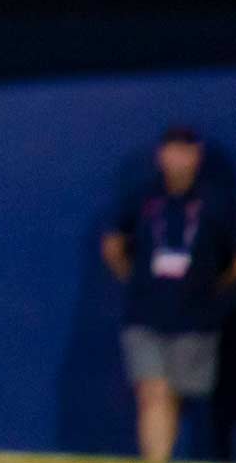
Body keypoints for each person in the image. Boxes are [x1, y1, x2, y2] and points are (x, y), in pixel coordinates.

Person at [104, 126, 236, 462]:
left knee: (181, 398)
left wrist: (216, 288)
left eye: (185, 150)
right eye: (171, 150)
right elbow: (113, 243)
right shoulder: (143, 198)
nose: (177, 158)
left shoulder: (218, 202)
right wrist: (133, 280)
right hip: (146, 315)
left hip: (196, 319)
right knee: (153, 392)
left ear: (197, 156)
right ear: (160, 155)